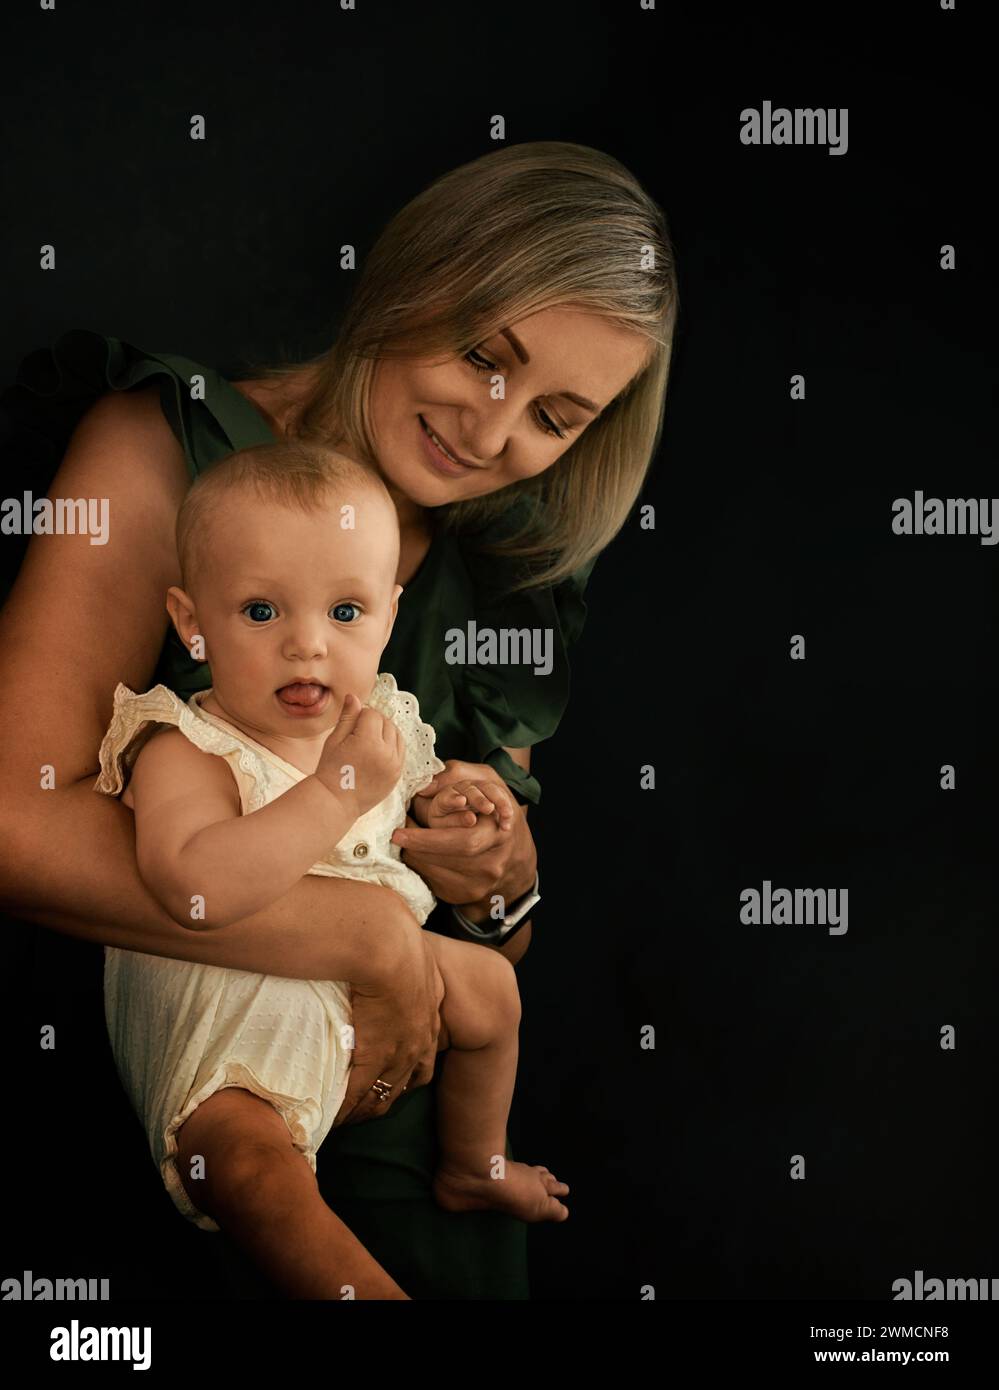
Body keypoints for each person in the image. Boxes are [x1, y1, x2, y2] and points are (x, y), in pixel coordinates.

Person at [0, 140, 678, 1299]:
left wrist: (500, 871)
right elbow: (15, 828)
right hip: (205, 1127)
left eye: (556, 417)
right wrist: (365, 939)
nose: (491, 428)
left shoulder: (505, 581)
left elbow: (489, 946)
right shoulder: (169, 446)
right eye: (481, 354)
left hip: (418, 1174)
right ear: (416, 272)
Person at [94, 440, 571, 1300]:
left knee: (494, 991)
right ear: (191, 620)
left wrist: (463, 813)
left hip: (367, 993)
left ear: (389, 617)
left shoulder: (386, 723)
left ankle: (474, 1160)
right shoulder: (186, 747)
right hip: (232, 1025)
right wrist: (334, 790)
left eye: (345, 614)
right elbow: (191, 886)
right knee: (244, 1171)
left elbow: (418, 819)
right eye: (261, 612)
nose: (307, 647)